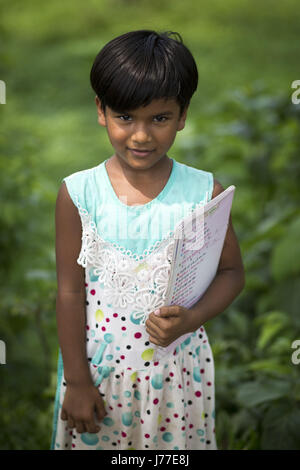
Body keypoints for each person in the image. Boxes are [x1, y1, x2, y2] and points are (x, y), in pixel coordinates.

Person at [50, 29, 245, 451]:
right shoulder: (79, 194)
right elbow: (69, 293)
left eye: (159, 118)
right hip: (101, 376)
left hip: (177, 378)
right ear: (101, 110)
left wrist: (193, 319)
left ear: (182, 115)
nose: (141, 136)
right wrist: (78, 382)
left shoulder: (202, 194)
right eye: (125, 117)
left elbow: (231, 273)